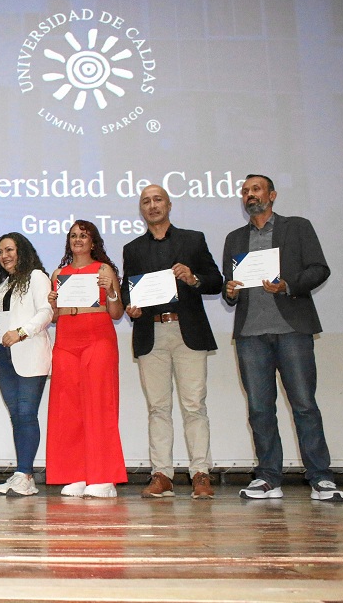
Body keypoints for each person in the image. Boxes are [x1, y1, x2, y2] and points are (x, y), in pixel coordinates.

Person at [223, 174, 343, 502]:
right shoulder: (234, 238)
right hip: (250, 334)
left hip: (292, 330)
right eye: (245, 191)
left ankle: (321, 477)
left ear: (272, 195)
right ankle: (268, 477)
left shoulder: (297, 227)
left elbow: (319, 269)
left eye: (256, 189)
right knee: (260, 409)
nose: (250, 195)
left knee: (304, 405)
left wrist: (287, 285)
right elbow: (229, 289)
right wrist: (230, 290)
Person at [121, 185, 221, 500]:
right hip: (151, 333)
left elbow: (216, 280)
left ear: (169, 204)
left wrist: (194, 279)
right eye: (146, 201)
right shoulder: (133, 248)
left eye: (158, 199)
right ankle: (162, 474)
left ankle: (200, 473)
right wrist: (129, 305)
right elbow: (128, 288)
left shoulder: (193, 239)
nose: (152, 205)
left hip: (187, 332)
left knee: (194, 405)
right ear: (141, 209)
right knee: (158, 408)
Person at [46, 220, 127, 498]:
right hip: (66, 342)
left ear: (93, 242)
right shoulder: (58, 273)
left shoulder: (104, 270)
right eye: (73, 236)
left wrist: (113, 290)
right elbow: (54, 317)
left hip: (97, 339)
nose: (78, 240)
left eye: (84, 235)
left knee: (99, 405)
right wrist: (53, 303)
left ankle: (104, 477)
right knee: (67, 409)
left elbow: (116, 313)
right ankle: (76, 474)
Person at [0, 232, 52, 497]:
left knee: (26, 414)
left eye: (10, 250)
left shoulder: (36, 277)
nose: (5, 256)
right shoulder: (3, 284)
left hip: (29, 353)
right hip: (3, 357)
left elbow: (46, 312)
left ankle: (25, 473)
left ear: (22, 251)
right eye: (0, 251)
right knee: (16, 417)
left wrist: (21, 332)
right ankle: (23, 474)